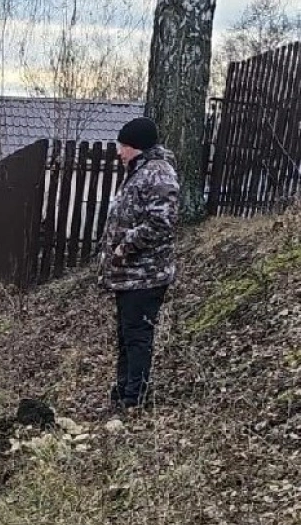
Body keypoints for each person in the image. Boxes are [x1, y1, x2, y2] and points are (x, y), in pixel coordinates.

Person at [97, 116, 179, 410]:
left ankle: (136, 397)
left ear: (138, 147)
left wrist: (124, 246)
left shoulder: (158, 174)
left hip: (146, 275)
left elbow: (161, 222)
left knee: (137, 337)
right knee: (126, 336)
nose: (120, 152)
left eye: (124, 146)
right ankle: (124, 390)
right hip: (129, 275)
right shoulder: (139, 171)